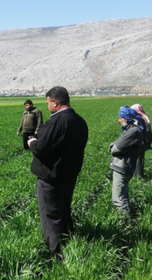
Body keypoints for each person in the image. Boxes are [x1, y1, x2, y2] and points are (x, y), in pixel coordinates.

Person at [27, 86, 88, 256]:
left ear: (55, 102)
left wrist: (32, 143)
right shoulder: (80, 121)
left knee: (51, 217)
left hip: (51, 178)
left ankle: (55, 254)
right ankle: (70, 244)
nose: (47, 106)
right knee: (64, 210)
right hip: (69, 175)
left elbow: (41, 148)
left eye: (48, 103)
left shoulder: (56, 122)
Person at [109, 106, 144, 213]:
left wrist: (114, 147)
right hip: (123, 166)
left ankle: (124, 223)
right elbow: (116, 145)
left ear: (126, 119)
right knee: (123, 195)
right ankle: (129, 216)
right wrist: (114, 146)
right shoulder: (129, 130)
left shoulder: (133, 131)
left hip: (123, 167)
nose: (118, 120)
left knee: (118, 199)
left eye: (121, 118)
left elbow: (114, 149)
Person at [130, 103, 152, 178]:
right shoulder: (145, 117)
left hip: (137, 141)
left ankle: (135, 175)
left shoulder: (137, 119)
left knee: (134, 158)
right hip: (144, 142)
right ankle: (139, 175)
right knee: (140, 158)